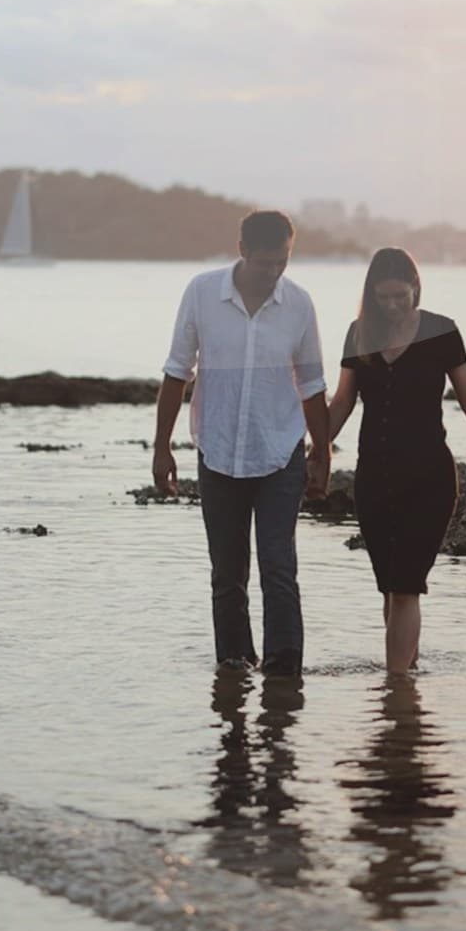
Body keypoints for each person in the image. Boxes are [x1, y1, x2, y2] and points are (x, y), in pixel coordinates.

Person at [154, 209, 329, 677]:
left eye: (283, 261)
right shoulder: (201, 293)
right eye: (266, 262)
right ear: (243, 250)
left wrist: (322, 453)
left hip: (281, 453)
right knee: (227, 574)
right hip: (218, 451)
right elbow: (176, 372)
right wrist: (161, 447)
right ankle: (233, 672)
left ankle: (284, 676)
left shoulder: (299, 304)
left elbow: (312, 384)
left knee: (279, 568)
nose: (274, 272)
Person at [327, 247, 466, 674]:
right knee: (391, 588)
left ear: (415, 287)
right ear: (371, 294)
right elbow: (342, 402)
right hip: (374, 478)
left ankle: (395, 689)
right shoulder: (359, 334)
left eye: (400, 296)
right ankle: (406, 682)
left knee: (407, 586)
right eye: (383, 298)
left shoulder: (441, 331)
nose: (392, 306)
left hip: (429, 479)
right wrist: (314, 453)